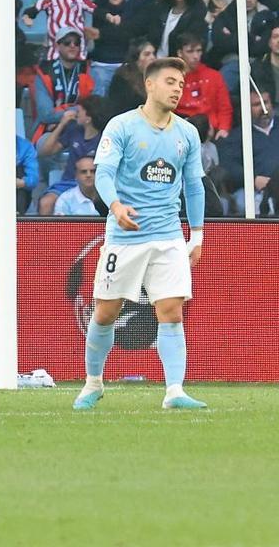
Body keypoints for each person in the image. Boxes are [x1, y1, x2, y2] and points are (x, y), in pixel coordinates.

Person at [76, 57, 208, 413]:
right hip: (125, 238)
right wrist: (116, 206)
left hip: (167, 236)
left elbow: (194, 186)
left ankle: (175, 390)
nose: (177, 89)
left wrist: (195, 234)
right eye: (170, 82)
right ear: (150, 85)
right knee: (104, 313)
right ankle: (93, 383)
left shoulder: (187, 133)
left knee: (171, 311)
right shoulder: (122, 126)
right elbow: (103, 173)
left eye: (180, 84)